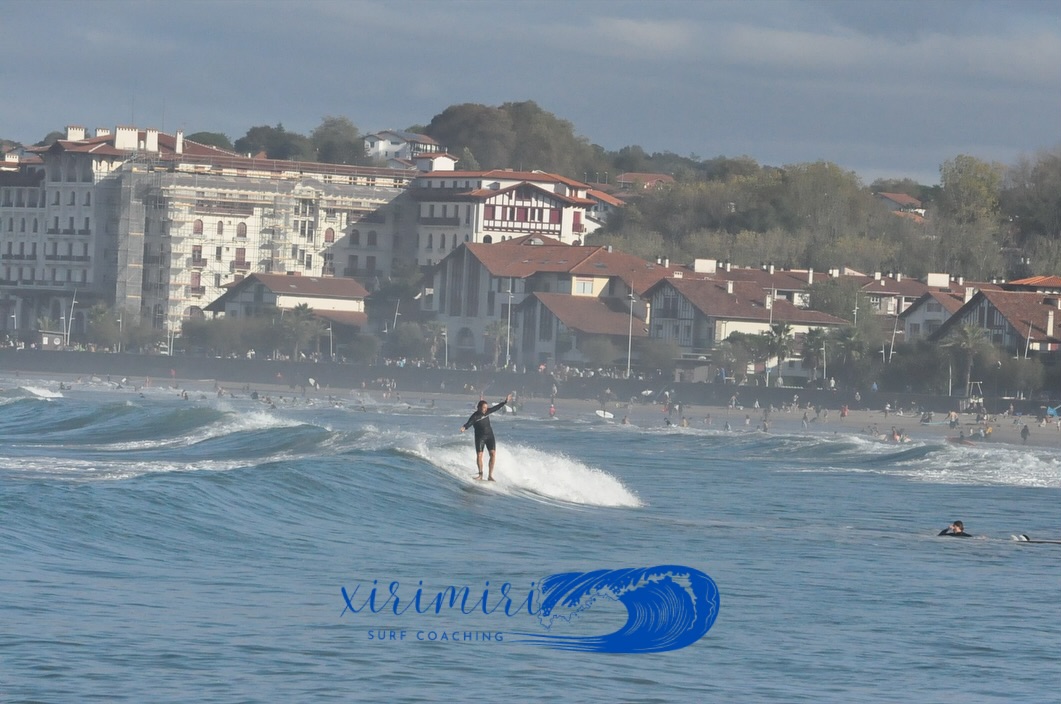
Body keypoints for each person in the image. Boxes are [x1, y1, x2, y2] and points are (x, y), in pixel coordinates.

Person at [460, 394, 512, 481]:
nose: (485, 409)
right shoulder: (475, 416)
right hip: (480, 437)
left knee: (493, 454)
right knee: (479, 455)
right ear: (479, 407)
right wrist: (464, 427)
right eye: (484, 407)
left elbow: (496, 407)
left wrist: (505, 402)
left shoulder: (487, 411)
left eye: (486, 407)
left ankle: (490, 475)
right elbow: (469, 422)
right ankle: (480, 474)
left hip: (490, 436)